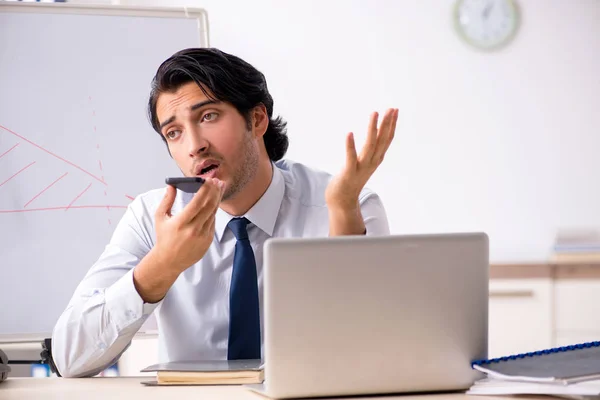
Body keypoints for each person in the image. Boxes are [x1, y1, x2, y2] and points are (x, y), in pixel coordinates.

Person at [51, 48, 398, 378]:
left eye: (208, 116)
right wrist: (164, 264)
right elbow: (70, 358)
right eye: (174, 132)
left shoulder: (346, 202)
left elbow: (375, 349)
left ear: (257, 119)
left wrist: (342, 218)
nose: (194, 145)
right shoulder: (152, 216)